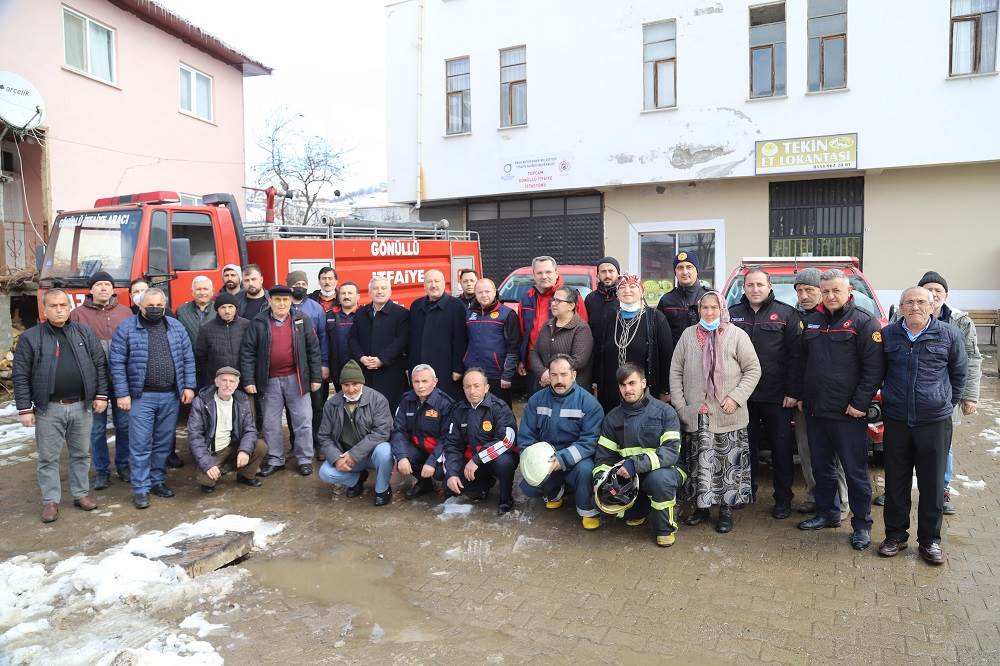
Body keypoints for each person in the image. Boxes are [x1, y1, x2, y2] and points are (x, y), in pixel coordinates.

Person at [795, 269, 884, 551]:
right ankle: (828, 513)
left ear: (849, 292)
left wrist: (859, 404)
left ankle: (862, 525)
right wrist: (800, 395)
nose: (831, 296)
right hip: (816, 411)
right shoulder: (811, 322)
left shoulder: (864, 322)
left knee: (855, 472)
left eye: (836, 291)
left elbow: (874, 370)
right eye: (826, 291)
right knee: (822, 469)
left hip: (848, 414)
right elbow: (802, 363)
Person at [878, 287, 967, 565]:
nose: (915, 306)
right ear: (901, 307)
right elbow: (878, 371)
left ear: (932, 307)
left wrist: (943, 402)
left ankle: (930, 541)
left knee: (932, 483)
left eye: (921, 302)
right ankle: (895, 536)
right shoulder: (889, 335)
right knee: (896, 480)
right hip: (897, 420)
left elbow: (959, 372)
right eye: (909, 302)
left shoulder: (948, 334)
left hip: (934, 422)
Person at [14, 289, 108, 523]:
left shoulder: (84, 333)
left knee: (81, 454)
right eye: (54, 306)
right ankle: (50, 501)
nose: (59, 310)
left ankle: (80, 494)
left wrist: (101, 395)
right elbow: (20, 374)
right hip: (49, 409)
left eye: (63, 305)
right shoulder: (31, 337)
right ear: (44, 309)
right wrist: (25, 408)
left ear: (69, 308)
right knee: (48, 457)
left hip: (81, 406)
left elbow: (99, 365)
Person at [671, 291, 761, 533]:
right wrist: (681, 405)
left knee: (726, 463)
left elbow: (753, 369)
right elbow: (676, 371)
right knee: (700, 464)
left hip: (727, 413)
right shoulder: (688, 336)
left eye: (714, 308)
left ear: (722, 309)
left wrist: (736, 397)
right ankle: (701, 508)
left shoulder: (736, 335)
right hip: (696, 414)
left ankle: (725, 511)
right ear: (699, 310)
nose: (709, 312)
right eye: (704, 308)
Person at [110, 288, 196, 509]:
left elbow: (187, 358)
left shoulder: (175, 326)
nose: (156, 309)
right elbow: (117, 363)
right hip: (141, 397)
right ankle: (141, 488)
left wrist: (189, 385)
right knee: (139, 444)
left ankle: (157, 480)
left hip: (170, 395)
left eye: (160, 305)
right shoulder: (127, 328)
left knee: (163, 444)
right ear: (140, 305)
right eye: (151, 305)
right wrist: (122, 393)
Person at [727, 268, 803, 518]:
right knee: (745, 447)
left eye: (760, 284)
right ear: (744, 287)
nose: (755, 289)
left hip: (777, 396)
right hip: (742, 397)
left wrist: (793, 391)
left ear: (769, 286)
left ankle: (783, 499)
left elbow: (796, 357)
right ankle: (745, 491)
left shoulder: (786, 314)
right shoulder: (732, 314)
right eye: (750, 285)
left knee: (781, 449)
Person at [593, 363, 686, 547]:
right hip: (631, 477)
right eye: (623, 385)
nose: (628, 389)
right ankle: (639, 510)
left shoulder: (665, 412)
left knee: (659, 480)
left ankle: (664, 529)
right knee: (603, 498)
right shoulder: (612, 418)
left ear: (643, 383)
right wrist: (600, 480)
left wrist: (634, 464)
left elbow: (669, 453)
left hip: (668, 470)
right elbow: (604, 458)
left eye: (632, 383)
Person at [240, 284, 322, 477]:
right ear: (270, 301)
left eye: (286, 300)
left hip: (297, 379)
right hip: (269, 381)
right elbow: (248, 352)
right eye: (278, 300)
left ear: (291, 301)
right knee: (270, 423)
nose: (282, 303)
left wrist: (316, 376)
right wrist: (249, 379)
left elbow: (313, 349)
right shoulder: (259, 321)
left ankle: (304, 459)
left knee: (303, 420)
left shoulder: (302, 319)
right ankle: (276, 459)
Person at [916, 271, 981, 515]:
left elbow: (972, 359)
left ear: (946, 294)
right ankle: (895, 489)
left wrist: (969, 396)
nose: (933, 294)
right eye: (928, 289)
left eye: (938, 290)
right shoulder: (902, 313)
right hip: (909, 396)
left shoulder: (960, 321)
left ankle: (941, 490)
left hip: (946, 395)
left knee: (944, 445)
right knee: (902, 445)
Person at [518, 354, 603, 529]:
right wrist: (532, 459)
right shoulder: (536, 400)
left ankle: (587, 510)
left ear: (573, 375)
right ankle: (555, 492)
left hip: (575, 458)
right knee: (531, 484)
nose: (559, 380)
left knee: (586, 470)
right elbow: (526, 435)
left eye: (564, 375)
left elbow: (590, 441)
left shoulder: (589, 403)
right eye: (554, 375)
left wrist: (563, 459)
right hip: (546, 458)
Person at [791, 268, 848, 515]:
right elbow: (795, 360)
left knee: (836, 455)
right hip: (806, 400)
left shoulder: (833, 318)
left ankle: (842, 501)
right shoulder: (792, 317)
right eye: (799, 290)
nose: (804, 295)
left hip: (836, 401)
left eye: (810, 290)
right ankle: (816, 495)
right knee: (806, 450)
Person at [69, 271, 131, 490]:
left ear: (113, 289)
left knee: (124, 426)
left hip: (121, 380)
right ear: (91, 289)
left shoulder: (125, 312)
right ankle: (102, 471)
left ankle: (124, 466)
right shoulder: (77, 315)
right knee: (96, 429)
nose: (104, 288)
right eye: (99, 284)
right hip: (94, 383)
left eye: (107, 284)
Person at [318, 360, 394, 505]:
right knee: (325, 472)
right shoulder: (331, 404)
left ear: (362, 383)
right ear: (341, 385)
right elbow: (324, 436)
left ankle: (382, 489)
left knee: (385, 451)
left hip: (371, 455)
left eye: (355, 384)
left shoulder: (378, 400)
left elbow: (382, 432)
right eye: (346, 385)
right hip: (346, 456)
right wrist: (336, 458)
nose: (351, 389)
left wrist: (355, 454)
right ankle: (356, 480)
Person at [593, 274, 673, 412]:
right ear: (617, 293)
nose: (627, 290)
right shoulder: (609, 318)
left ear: (641, 291)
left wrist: (665, 390)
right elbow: (599, 354)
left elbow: (667, 356)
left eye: (633, 286)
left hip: (644, 393)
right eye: (622, 287)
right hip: (612, 393)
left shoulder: (655, 318)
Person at [443, 368, 518, 515]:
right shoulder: (458, 410)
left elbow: (507, 442)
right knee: (448, 486)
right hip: (473, 463)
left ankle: (506, 499)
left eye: (477, 386)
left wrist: (477, 459)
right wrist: (452, 473)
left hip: (493, 460)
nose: (472, 391)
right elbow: (452, 445)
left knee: (505, 463)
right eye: (468, 386)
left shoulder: (500, 408)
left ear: (486, 388)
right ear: (463, 389)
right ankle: (482, 486)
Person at [187, 366, 267, 493]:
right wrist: (208, 464)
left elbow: (250, 430)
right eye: (224, 380)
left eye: (231, 381)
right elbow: (195, 436)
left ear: (236, 385)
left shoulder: (242, 400)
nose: (227, 385)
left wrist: (244, 451)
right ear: (217, 382)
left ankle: (244, 475)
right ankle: (219, 467)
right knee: (206, 481)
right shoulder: (201, 402)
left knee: (260, 446)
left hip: (233, 445)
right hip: (212, 451)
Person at [518, 256, 588, 389]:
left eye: (548, 272)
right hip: (536, 366)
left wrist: (554, 372)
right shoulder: (527, 297)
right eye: (539, 273)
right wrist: (522, 359)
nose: (544, 276)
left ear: (556, 273)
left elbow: (581, 334)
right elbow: (523, 332)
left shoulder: (571, 297)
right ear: (533, 275)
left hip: (565, 370)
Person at [390, 364, 455, 499]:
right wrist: (402, 457)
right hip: (418, 448)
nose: (420, 386)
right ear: (411, 382)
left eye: (424, 381)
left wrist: (431, 462)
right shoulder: (405, 400)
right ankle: (424, 484)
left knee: (440, 474)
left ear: (435, 382)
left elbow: (447, 438)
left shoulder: (445, 403)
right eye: (416, 381)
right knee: (398, 452)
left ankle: (449, 485)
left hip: (440, 451)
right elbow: (398, 431)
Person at [349, 276, 410, 410]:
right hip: (366, 373)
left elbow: (401, 341)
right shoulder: (361, 314)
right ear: (369, 293)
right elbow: (353, 339)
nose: (379, 291)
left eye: (383, 288)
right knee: (367, 410)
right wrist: (362, 357)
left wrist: (382, 359)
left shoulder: (401, 314)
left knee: (390, 410)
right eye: (375, 288)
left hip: (392, 373)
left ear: (390, 292)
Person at [409, 269, 468, 400]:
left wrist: (458, 368)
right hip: (420, 367)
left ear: (444, 284)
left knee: (446, 404)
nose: (433, 285)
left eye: (437, 281)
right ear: (424, 286)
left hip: (446, 368)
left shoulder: (456, 306)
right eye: (429, 281)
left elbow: (461, 340)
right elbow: (412, 340)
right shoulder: (416, 306)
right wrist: (410, 366)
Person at [288, 270, 330, 453]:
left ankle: (319, 443)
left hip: (313, 366)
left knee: (317, 406)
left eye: (304, 284)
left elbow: (323, 336)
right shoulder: (283, 305)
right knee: (293, 408)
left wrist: (324, 363)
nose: (300, 287)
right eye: (296, 284)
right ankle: (295, 444)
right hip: (290, 368)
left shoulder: (316, 308)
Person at [464, 278, 521, 406]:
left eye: (487, 291)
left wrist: (507, 375)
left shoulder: (507, 314)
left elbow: (514, 347)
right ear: (475, 293)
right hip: (473, 372)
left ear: (495, 291)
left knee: (501, 411)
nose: (484, 295)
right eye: (480, 292)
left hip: (497, 375)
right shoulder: (469, 314)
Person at [529, 285, 593, 391]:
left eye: (558, 301)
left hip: (570, 391)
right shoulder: (547, 325)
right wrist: (542, 373)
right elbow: (534, 352)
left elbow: (578, 360)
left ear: (571, 306)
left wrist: (551, 375)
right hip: (544, 388)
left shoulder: (581, 328)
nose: (553, 303)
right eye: (553, 300)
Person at [194, 292, 250, 388]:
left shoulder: (247, 325)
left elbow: (252, 354)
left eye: (230, 307)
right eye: (223, 307)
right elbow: (200, 358)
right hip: (216, 384)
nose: (227, 311)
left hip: (242, 382)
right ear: (217, 310)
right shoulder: (206, 329)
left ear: (236, 308)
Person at [657, 251, 710, 345]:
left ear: (696, 270)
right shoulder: (666, 301)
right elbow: (659, 335)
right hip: (675, 357)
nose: (685, 272)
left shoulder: (711, 297)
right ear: (675, 272)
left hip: (706, 357)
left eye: (689, 267)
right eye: (680, 268)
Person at [584, 256, 621, 357]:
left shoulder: (625, 297)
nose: (607, 275)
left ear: (618, 273)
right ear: (598, 275)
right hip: (595, 354)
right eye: (603, 271)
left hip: (618, 354)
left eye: (611, 271)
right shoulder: (590, 299)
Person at [326, 281, 360, 390]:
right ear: (338, 296)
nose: (346, 296)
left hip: (360, 369)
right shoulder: (329, 315)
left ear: (358, 296)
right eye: (343, 293)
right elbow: (324, 342)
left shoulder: (364, 314)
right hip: (337, 369)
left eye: (350, 293)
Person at [176, 276, 217, 344]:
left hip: (213, 354)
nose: (202, 292)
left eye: (205, 289)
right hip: (190, 354)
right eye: (198, 289)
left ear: (212, 291)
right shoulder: (181, 311)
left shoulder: (219, 309)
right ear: (192, 292)